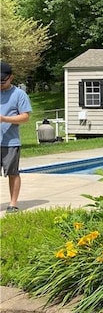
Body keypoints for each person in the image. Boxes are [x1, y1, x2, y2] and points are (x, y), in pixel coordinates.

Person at [0, 61, 32, 213]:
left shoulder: (19, 94)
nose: (0, 83)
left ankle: (13, 204)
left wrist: (5, 119)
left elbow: (25, 117)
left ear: (11, 77)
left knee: (13, 173)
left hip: (10, 142)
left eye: (2, 81)